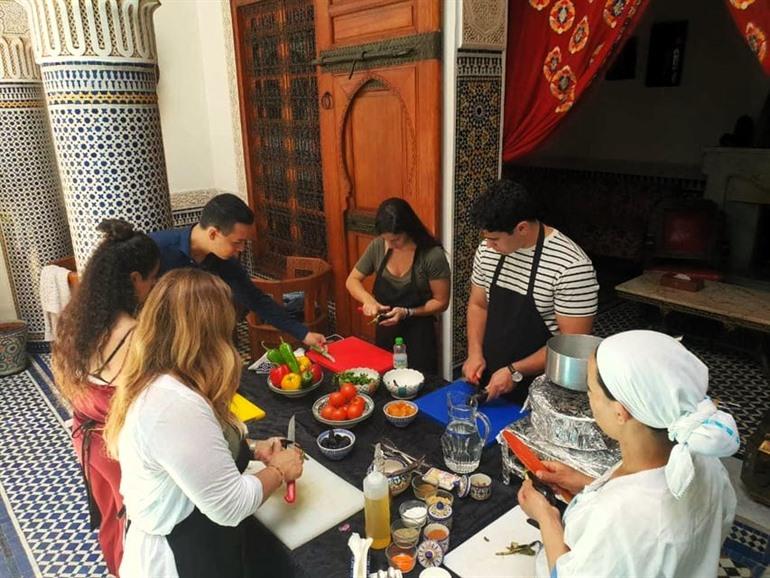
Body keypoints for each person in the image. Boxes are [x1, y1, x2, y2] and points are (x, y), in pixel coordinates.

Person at [104, 268, 304, 578]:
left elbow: (193, 452)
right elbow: (231, 505)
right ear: (208, 333)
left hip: (197, 543)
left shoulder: (166, 377)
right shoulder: (173, 405)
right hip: (179, 557)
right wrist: (278, 470)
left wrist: (251, 449)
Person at [518, 330, 739, 578]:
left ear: (620, 412)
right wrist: (588, 485)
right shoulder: (703, 459)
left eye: (590, 390)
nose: (588, 397)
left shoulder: (618, 518)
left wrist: (547, 518)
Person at [52, 219, 161, 575]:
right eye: (153, 278)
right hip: (118, 447)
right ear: (134, 279)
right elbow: (150, 407)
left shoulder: (78, 321)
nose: (155, 286)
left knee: (110, 516)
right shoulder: (133, 336)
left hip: (85, 438)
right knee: (134, 520)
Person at [462, 180, 599, 402]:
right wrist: (474, 352)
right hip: (493, 377)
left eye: (494, 239)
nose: (488, 246)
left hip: (543, 388)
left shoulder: (571, 266)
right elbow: (478, 305)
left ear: (522, 228)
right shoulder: (487, 252)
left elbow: (570, 345)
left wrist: (515, 370)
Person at [149, 193, 326, 348]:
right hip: (160, 339)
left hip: (204, 340)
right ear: (213, 234)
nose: (241, 249)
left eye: (244, 242)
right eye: (237, 242)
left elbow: (255, 299)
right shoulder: (157, 248)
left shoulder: (222, 259)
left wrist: (304, 334)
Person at [345, 198, 450, 373]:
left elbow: (442, 302)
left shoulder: (432, 255)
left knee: (420, 385)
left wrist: (408, 312)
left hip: (419, 336)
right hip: (386, 333)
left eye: (396, 239)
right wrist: (369, 300)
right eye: (387, 240)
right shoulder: (379, 246)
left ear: (408, 230)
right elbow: (352, 280)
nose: (391, 245)